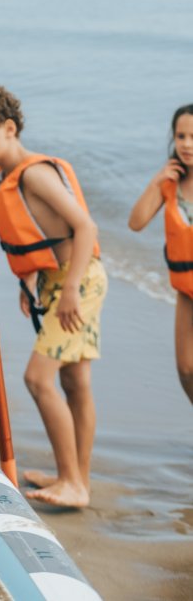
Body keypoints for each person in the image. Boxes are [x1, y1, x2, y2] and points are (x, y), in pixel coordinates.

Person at [0, 85, 107, 509]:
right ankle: (74, 478)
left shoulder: (35, 173)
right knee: (74, 381)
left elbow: (85, 228)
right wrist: (29, 282)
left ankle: (74, 482)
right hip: (58, 282)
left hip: (80, 281)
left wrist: (71, 289)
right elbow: (39, 236)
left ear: (9, 128)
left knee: (38, 379)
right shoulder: (6, 179)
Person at [128, 104, 193, 404]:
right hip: (186, 291)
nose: (187, 144)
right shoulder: (170, 183)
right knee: (186, 368)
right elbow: (136, 222)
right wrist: (157, 179)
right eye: (181, 136)